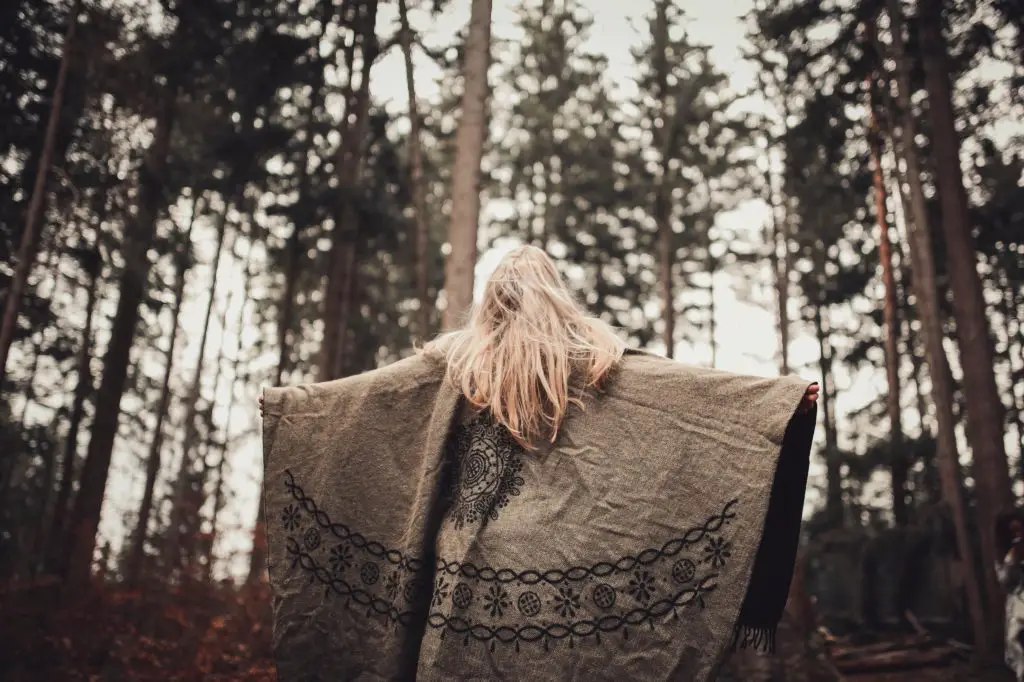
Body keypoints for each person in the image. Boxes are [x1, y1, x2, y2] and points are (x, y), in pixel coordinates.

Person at [258, 245, 818, 682]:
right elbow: (682, 394)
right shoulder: (600, 362)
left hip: (457, 567)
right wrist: (778, 405)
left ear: (490, 301)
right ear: (556, 296)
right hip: (558, 558)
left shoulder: (452, 362)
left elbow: (366, 396)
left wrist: (291, 408)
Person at [997, 509, 1024, 681]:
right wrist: (1013, 560)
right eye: (1013, 531)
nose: (1017, 535)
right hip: (1018, 609)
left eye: (1020, 530)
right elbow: (1005, 582)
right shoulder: (1005, 556)